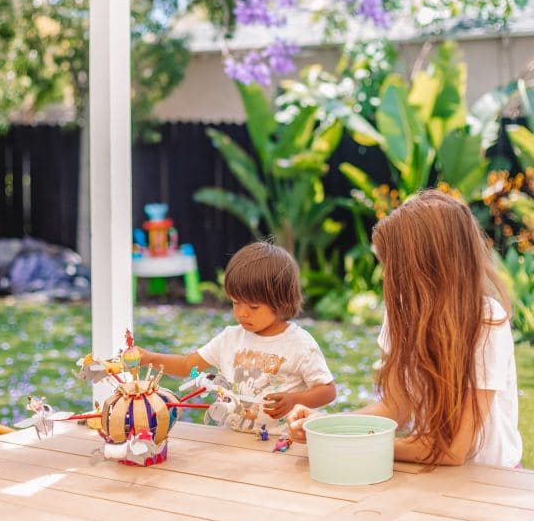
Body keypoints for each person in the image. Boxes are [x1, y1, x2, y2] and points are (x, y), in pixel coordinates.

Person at [287, 190, 522, 468]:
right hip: (428, 466)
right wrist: (327, 426)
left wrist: (352, 445)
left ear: (428, 268)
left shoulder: (485, 322)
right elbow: (395, 408)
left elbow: (454, 450)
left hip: (488, 482)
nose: (388, 277)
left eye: (394, 266)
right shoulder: (402, 312)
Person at [138, 241, 336, 434]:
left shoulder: (300, 344)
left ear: (281, 301)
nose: (242, 313)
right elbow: (187, 366)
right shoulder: (229, 339)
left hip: (283, 442)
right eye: (235, 302)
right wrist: (150, 358)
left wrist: (294, 399)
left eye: (253, 307)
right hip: (233, 440)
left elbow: (327, 391)